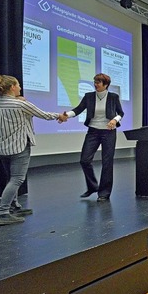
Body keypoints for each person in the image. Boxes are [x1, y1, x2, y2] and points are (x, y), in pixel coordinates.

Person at [0, 74, 66, 226]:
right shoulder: (21, 105)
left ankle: (14, 206)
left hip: (1, 147)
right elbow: (44, 115)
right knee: (17, 179)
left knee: (11, 177)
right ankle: (2, 213)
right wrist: (60, 116)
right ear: (12, 87)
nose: (20, 88)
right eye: (18, 85)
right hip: (19, 147)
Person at [63, 73, 124, 202]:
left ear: (106, 84)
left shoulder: (113, 97)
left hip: (109, 132)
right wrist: (66, 115)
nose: (95, 84)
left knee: (107, 163)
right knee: (84, 160)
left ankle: (104, 193)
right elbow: (78, 109)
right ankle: (92, 186)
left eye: (98, 82)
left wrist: (114, 119)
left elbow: (121, 113)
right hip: (93, 131)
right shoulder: (89, 96)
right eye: (95, 82)